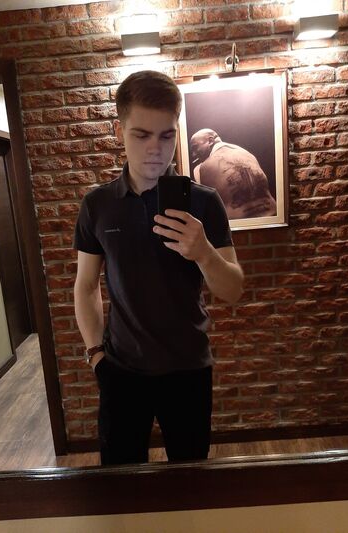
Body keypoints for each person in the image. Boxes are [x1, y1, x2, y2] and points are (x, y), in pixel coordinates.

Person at [73, 70, 244, 466]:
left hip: (188, 369)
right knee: (120, 481)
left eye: (166, 136)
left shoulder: (204, 202)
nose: (155, 148)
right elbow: (85, 285)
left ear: (177, 132)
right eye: (141, 135)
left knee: (190, 479)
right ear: (120, 132)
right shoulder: (98, 205)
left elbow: (233, 290)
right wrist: (95, 355)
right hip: (120, 370)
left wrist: (203, 252)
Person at [190, 128, 277, 220]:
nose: (194, 155)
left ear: (211, 141)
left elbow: (208, 211)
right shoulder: (248, 154)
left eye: (195, 147)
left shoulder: (203, 167)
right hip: (272, 219)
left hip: (238, 225)